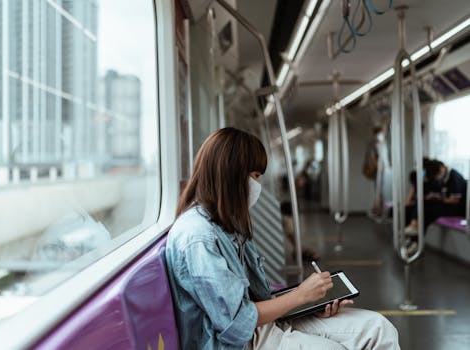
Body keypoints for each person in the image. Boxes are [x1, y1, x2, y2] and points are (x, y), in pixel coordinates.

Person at [165, 127, 400, 349]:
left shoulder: (226, 224)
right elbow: (236, 325)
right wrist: (300, 295)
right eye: (254, 176)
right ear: (232, 176)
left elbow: (256, 298)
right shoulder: (198, 238)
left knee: (379, 328)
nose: (257, 185)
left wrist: (309, 304)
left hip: (265, 323)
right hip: (239, 342)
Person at [405, 159, 467, 234]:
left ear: (441, 168)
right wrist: (436, 196)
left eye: (436, 175)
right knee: (423, 204)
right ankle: (414, 230)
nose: (437, 177)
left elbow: (455, 200)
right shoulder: (444, 177)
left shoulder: (454, 177)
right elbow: (444, 193)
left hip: (456, 209)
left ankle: (415, 232)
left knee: (426, 211)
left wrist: (439, 198)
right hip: (447, 205)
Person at [363, 126, 390, 216]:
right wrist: (379, 167)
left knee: (383, 190)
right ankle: (377, 209)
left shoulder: (383, 143)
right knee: (379, 190)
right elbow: (372, 157)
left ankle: (380, 209)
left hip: (385, 170)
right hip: (378, 171)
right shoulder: (373, 145)